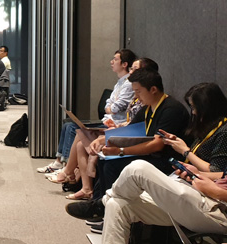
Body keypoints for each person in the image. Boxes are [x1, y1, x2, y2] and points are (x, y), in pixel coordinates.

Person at [65, 83, 227, 243]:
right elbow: (220, 173)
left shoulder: (220, 130)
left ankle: (101, 204)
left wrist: (186, 153)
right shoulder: (204, 127)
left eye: (194, 107)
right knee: (118, 204)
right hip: (196, 189)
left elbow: (215, 170)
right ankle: (106, 203)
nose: (193, 112)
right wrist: (197, 173)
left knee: (138, 168)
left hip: (214, 206)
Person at [49, 57, 156, 202]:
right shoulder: (132, 91)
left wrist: (116, 132)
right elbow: (112, 106)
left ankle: (70, 173)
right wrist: (117, 126)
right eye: (131, 69)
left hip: (127, 134)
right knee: (79, 136)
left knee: (82, 137)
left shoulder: (146, 99)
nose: (131, 71)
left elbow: (119, 111)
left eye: (135, 69)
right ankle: (82, 184)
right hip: (118, 126)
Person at [86, 69, 189, 203]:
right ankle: (99, 204)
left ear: (153, 89)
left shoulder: (171, 109)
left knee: (113, 165)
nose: (136, 96)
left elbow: (157, 145)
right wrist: (102, 139)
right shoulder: (148, 107)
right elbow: (130, 130)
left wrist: (121, 151)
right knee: (105, 159)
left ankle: (112, 206)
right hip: (151, 156)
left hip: (168, 161)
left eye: (138, 91)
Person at [39, 49, 138, 173]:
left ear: (124, 64)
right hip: (108, 120)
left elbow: (114, 108)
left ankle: (67, 166)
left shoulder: (129, 84)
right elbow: (108, 104)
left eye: (115, 59)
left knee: (73, 127)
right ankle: (60, 162)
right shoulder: (120, 82)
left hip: (114, 123)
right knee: (68, 123)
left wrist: (110, 107)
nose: (111, 62)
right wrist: (110, 107)